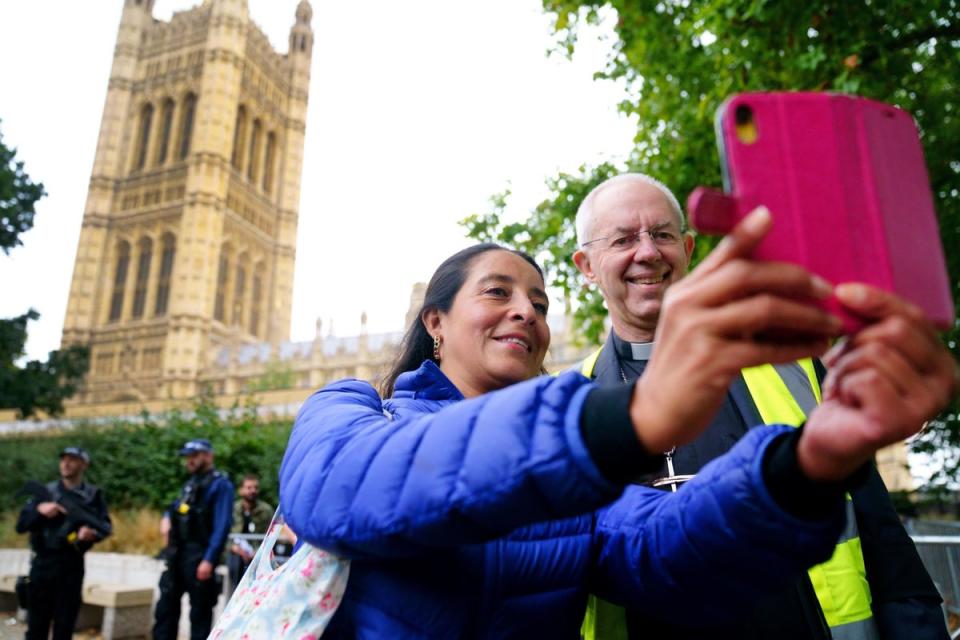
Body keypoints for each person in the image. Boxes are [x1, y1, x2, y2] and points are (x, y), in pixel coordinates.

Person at [279, 224, 957, 637]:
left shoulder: (576, 483)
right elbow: (344, 491)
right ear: (434, 321)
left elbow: (669, 543)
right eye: (497, 292)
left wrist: (808, 460)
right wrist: (625, 417)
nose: (525, 312)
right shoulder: (355, 408)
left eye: (539, 304)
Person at [571, 172, 949, 639]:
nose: (647, 252)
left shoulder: (792, 361)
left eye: (663, 234)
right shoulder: (570, 398)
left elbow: (878, 527)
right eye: (624, 239)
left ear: (688, 250)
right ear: (587, 265)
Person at [15, 446, 112, 640]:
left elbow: (105, 527)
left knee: (65, 627)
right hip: (42, 564)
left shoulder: (92, 496)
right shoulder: (45, 493)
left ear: (84, 464)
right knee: (36, 627)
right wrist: (40, 512)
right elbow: (21, 526)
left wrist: (90, 533)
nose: (66, 464)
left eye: (72, 460)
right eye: (63, 459)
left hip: (71, 565)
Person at [152, 438, 234, 640]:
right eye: (187, 456)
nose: (189, 460)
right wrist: (165, 518)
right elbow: (174, 509)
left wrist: (209, 559)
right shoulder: (190, 484)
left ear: (208, 455)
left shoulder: (220, 485)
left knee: (200, 615)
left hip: (200, 556)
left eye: (194, 455)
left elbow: (222, 526)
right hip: (177, 555)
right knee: (165, 611)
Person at [227, 473, 273, 590]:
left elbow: (272, 534)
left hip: (259, 552)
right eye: (249, 488)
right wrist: (234, 548)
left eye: (256, 488)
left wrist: (258, 552)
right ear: (241, 490)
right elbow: (225, 534)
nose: (253, 491)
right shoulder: (233, 509)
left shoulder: (266, 510)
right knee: (235, 565)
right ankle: (235, 597)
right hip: (236, 552)